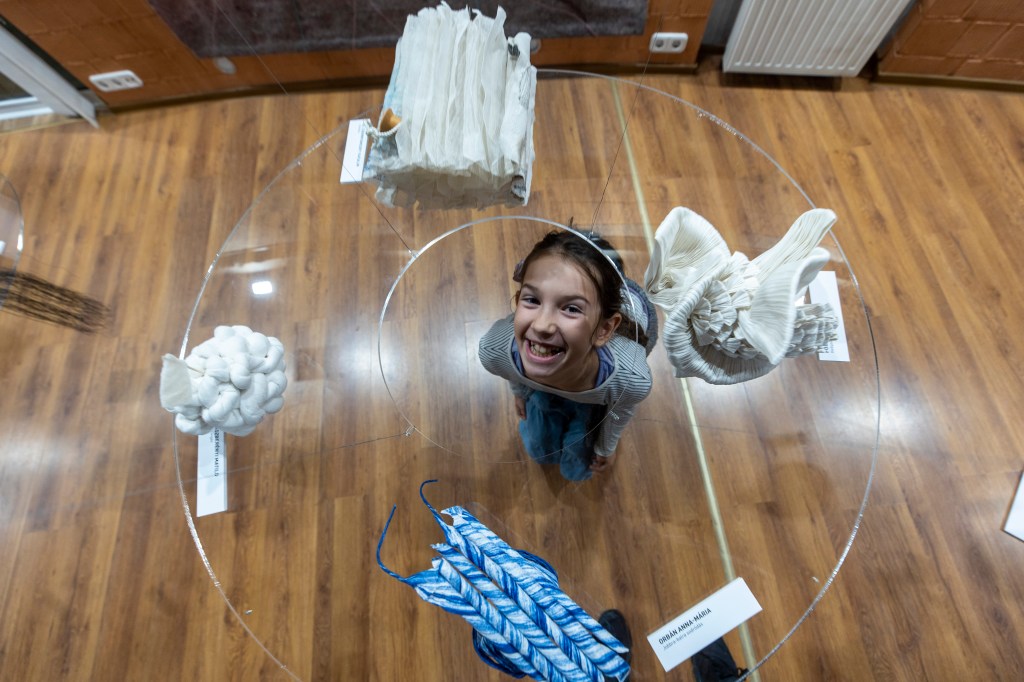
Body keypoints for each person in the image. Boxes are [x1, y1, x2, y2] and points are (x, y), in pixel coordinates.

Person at [478, 226, 656, 480]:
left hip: (609, 366)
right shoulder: (494, 351)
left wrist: (606, 446)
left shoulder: (629, 379)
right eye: (533, 300)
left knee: (580, 459)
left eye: (571, 308)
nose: (542, 325)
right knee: (539, 444)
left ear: (604, 329)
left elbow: (620, 411)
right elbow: (511, 370)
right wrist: (519, 392)